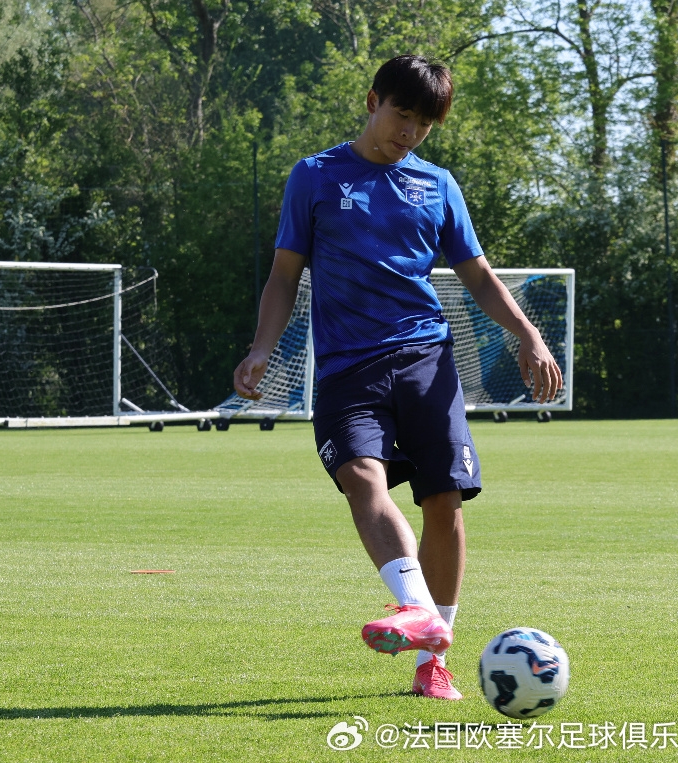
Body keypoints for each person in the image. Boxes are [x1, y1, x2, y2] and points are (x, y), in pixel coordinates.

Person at [232, 55, 563, 701]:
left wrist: (528, 333)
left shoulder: (437, 185)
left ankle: (432, 660)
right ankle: (417, 609)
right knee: (361, 476)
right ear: (372, 101)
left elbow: (478, 277)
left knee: (444, 499)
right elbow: (284, 274)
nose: (408, 132)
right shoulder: (315, 176)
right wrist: (262, 348)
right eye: (401, 114)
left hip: (425, 362)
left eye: (423, 124)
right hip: (347, 368)